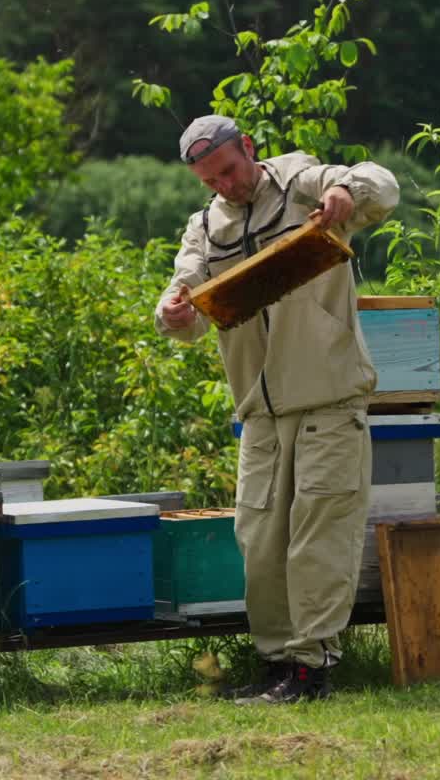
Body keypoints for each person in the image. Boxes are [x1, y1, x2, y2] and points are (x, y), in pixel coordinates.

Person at [155, 114, 399, 704]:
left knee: (317, 538)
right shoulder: (205, 226)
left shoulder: (302, 181)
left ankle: (312, 670)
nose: (226, 186)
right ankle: (275, 666)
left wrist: (347, 191)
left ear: (249, 149)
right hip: (260, 413)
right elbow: (183, 298)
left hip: (327, 398)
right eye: (210, 180)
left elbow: (382, 184)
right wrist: (172, 311)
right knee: (259, 541)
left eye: (230, 171)